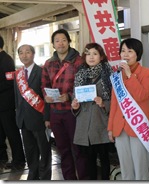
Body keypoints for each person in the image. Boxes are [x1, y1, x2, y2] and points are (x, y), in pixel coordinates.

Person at [41, 29, 88, 180]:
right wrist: (46, 97)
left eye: (63, 40)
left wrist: (69, 96)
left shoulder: (79, 61)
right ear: (53, 45)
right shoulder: (48, 63)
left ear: (69, 42)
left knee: (78, 149)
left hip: (74, 112)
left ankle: (84, 179)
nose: (60, 43)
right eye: (57, 41)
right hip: (55, 113)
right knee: (63, 150)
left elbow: (84, 86)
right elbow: (44, 85)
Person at [108, 38, 149, 180]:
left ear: (137, 54)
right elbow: (114, 104)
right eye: (123, 51)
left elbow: (142, 95)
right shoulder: (116, 76)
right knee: (125, 167)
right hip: (120, 127)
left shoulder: (146, 73)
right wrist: (110, 127)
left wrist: (129, 75)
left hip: (138, 125)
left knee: (141, 168)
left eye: (130, 51)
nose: (125, 54)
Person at [71, 43, 113, 180]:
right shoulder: (80, 74)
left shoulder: (109, 74)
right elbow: (75, 98)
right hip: (85, 127)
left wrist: (104, 103)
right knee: (89, 161)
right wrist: (75, 106)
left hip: (101, 124)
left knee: (104, 159)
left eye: (95, 54)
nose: (91, 57)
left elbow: (117, 101)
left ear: (101, 57)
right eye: (88, 54)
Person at [13, 44, 52, 180]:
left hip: (39, 118)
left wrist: (47, 117)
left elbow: (47, 97)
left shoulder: (41, 72)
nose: (24, 55)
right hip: (23, 120)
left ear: (33, 54)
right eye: (21, 53)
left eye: (27, 52)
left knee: (44, 150)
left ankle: (45, 176)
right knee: (30, 150)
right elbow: (17, 98)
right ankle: (33, 174)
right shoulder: (18, 75)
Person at [0, 35, 26, 170]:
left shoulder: (6, 60)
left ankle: (19, 160)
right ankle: (2, 157)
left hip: (6, 104)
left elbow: (9, 83)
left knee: (12, 133)